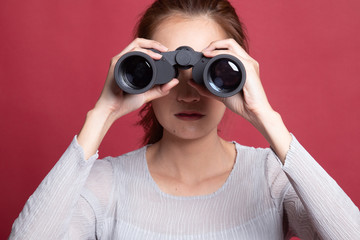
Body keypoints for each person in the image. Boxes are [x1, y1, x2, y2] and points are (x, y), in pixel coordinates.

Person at [9, 0, 360, 239]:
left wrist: (266, 117)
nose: (189, 94)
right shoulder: (106, 185)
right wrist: (102, 114)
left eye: (213, 74)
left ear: (241, 74)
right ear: (139, 69)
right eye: (169, 74)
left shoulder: (271, 179)